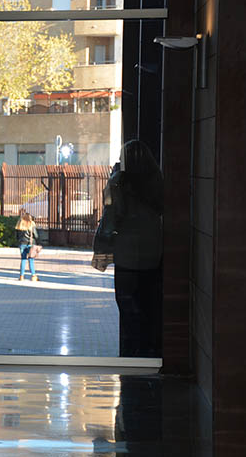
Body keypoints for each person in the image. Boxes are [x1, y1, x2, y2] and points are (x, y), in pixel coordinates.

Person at [106, 140, 163, 357]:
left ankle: (132, 352)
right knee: (150, 306)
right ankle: (149, 350)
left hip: (127, 253)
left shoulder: (120, 183)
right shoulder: (157, 181)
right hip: (153, 250)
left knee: (128, 306)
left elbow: (113, 214)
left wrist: (112, 183)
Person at [15, 208, 39, 281]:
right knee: (31, 260)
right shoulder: (31, 226)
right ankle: (33, 276)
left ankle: (21, 276)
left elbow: (16, 236)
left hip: (22, 244)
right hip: (30, 244)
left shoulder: (19, 226)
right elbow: (36, 236)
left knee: (23, 259)